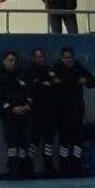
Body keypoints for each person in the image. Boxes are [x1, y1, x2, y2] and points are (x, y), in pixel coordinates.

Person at [53, 47, 95, 176]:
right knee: (64, 140)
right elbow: (50, 85)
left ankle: (76, 168)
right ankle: (64, 169)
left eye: (71, 57)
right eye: (66, 57)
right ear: (62, 58)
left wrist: (85, 81)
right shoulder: (56, 69)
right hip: (62, 110)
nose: (69, 60)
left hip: (77, 109)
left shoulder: (79, 68)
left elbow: (92, 82)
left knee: (76, 140)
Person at [0, 51, 33, 179]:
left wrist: (27, 105)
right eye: (10, 60)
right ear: (4, 61)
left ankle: (24, 170)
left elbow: (29, 92)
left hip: (24, 114)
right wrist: (10, 108)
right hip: (9, 115)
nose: (13, 63)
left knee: (23, 142)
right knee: (12, 142)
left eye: (15, 61)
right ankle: (13, 171)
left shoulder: (21, 75)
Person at [27, 48, 60, 177]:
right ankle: (27, 168)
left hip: (51, 110)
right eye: (37, 57)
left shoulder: (50, 70)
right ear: (33, 58)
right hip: (37, 111)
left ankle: (48, 168)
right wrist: (43, 85)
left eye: (41, 57)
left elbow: (57, 85)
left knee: (49, 141)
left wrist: (46, 84)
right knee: (34, 139)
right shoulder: (30, 72)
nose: (40, 59)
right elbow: (31, 88)